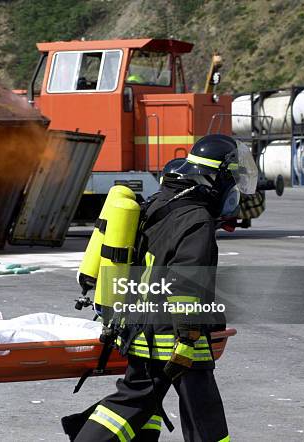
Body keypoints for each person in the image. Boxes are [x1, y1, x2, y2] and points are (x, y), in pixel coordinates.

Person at [64, 134, 258, 442]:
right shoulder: (196, 220)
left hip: (140, 327)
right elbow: (186, 284)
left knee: (132, 402)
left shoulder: (160, 202)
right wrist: (188, 339)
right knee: (204, 414)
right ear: (218, 179)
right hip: (175, 336)